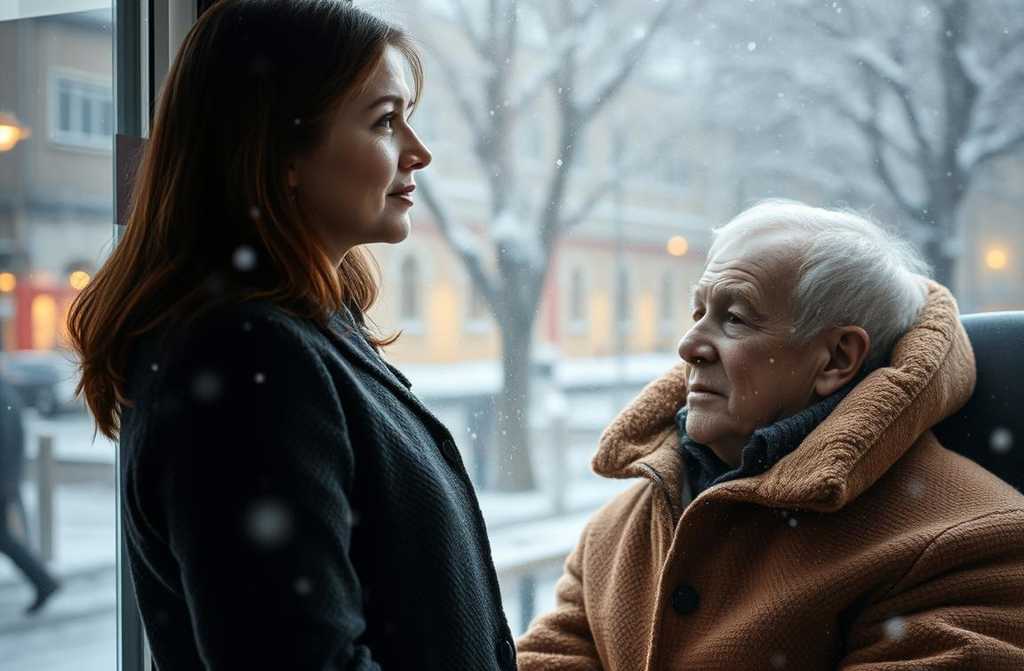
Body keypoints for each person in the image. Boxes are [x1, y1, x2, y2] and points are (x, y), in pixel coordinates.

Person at [66, 1, 515, 668]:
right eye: (385, 120)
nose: (418, 152)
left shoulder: (296, 332)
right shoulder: (247, 357)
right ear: (281, 150)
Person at [517, 200, 1024, 669]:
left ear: (837, 358)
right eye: (699, 312)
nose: (688, 345)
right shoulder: (618, 530)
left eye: (734, 318)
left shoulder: (973, 544)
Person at [0, 372, 60, 615]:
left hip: (3, 480)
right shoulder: (6, 392)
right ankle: (43, 581)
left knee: (4, 537)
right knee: (4, 537)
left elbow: (6, 441)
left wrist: (7, 482)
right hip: (6, 480)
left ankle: (44, 581)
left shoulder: (3, 396)